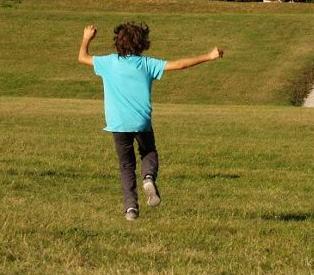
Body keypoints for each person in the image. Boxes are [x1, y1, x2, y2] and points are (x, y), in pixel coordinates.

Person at [79, 21, 223, 221]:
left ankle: (130, 209)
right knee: (148, 152)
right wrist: (209, 56)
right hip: (141, 122)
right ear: (142, 44)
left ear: (117, 43)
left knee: (126, 166)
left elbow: (82, 57)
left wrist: (87, 38)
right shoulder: (147, 64)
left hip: (118, 123)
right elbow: (179, 64)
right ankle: (148, 177)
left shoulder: (109, 63)